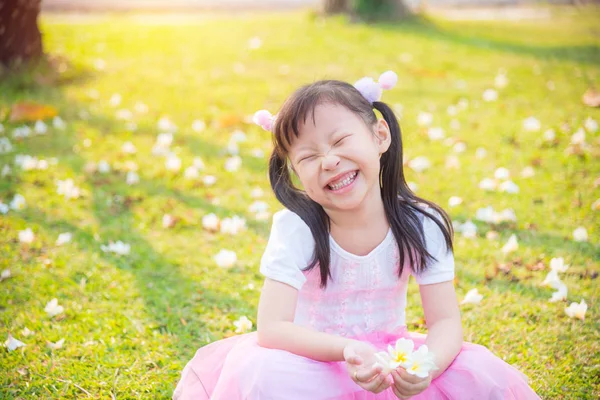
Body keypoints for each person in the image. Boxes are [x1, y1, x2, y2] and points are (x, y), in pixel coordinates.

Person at [173, 72, 541, 399]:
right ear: (297, 174)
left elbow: (445, 322)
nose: (329, 160)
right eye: (308, 156)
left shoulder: (421, 224)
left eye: (339, 140)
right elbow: (272, 328)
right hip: (312, 363)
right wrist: (345, 349)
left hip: (391, 362)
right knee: (263, 374)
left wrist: (427, 366)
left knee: (475, 376)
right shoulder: (297, 228)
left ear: (380, 135)